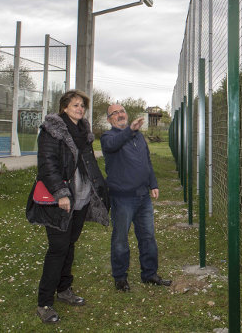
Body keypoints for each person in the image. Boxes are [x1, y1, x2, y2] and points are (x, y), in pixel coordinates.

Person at [27, 90, 109, 324]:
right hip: (60, 201)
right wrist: (61, 193)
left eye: (82, 105)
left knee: (70, 245)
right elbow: (47, 165)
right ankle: (44, 303)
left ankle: (64, 290)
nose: (80, 109)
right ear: (64, 108)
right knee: (57, 249)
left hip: (81, 200)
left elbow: (89, 165)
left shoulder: (84, 133)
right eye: (75, 105)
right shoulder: (52, 131)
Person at [101, 104, 171, 291]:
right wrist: (130, 130)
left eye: (122, 111)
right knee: (120, 239)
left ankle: (149, 274)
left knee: (148, 237)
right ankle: (120, 278)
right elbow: (113, 145)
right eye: (114, 113)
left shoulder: (138, 136)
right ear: (109, 120)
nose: (120, 115)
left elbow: (146, 161)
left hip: (143, 197)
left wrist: (153, 184)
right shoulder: (108, 137)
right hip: (122, 198)